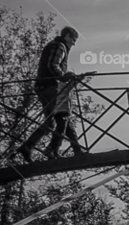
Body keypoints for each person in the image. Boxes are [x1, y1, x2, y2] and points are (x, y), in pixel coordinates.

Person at [17, 26, 87, 162]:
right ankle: (63, 150)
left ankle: (28, 147)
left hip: (42, 86)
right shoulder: (60, 46)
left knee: (52, 122)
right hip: (49, 86)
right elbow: (52, 65)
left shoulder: (55, 45)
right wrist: (63, 76)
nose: (74, 43)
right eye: (73, 39)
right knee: (63, 118)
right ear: (67, 36)